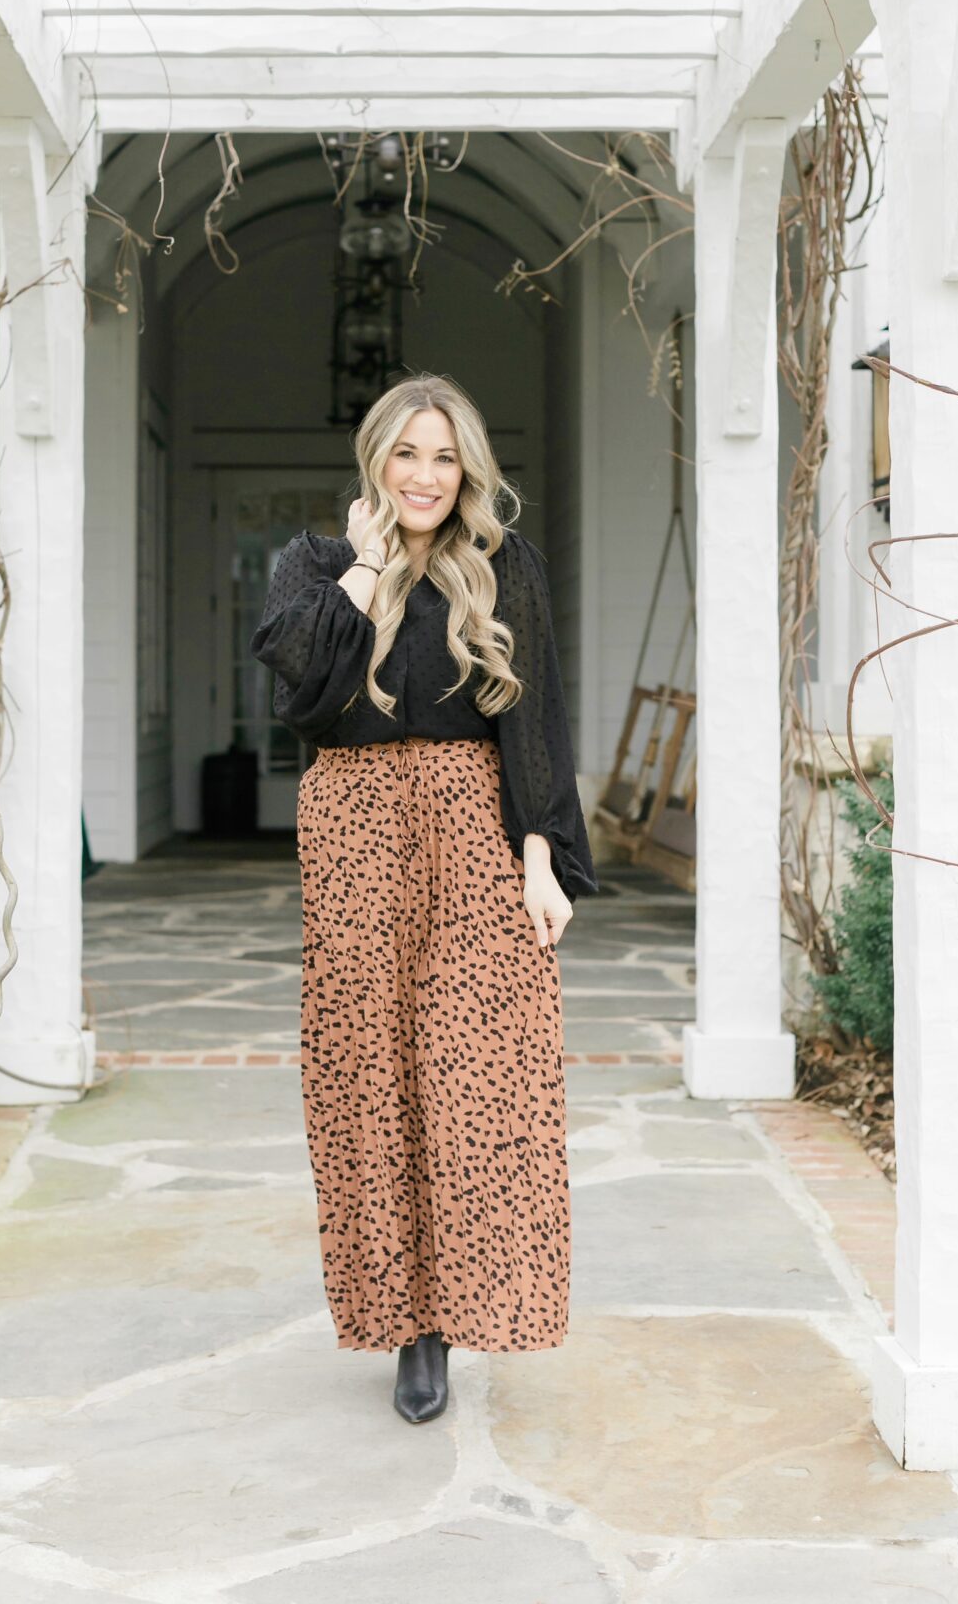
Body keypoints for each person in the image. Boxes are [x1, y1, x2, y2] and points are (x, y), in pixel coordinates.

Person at [250, 372, 596, 1425]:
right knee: (373, 1074)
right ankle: (405, 1323)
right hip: (355, 832)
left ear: (467, 469)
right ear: (376, 459)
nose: (427, 475)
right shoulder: (312, 567)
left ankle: (462, 1304)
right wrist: (363, 565)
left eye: (446, 456)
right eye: (409, 452)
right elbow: (300, 685)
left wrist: (541, 856)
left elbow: (530, 717)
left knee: (478, 1072)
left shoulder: (502, 568)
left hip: (475, 827)